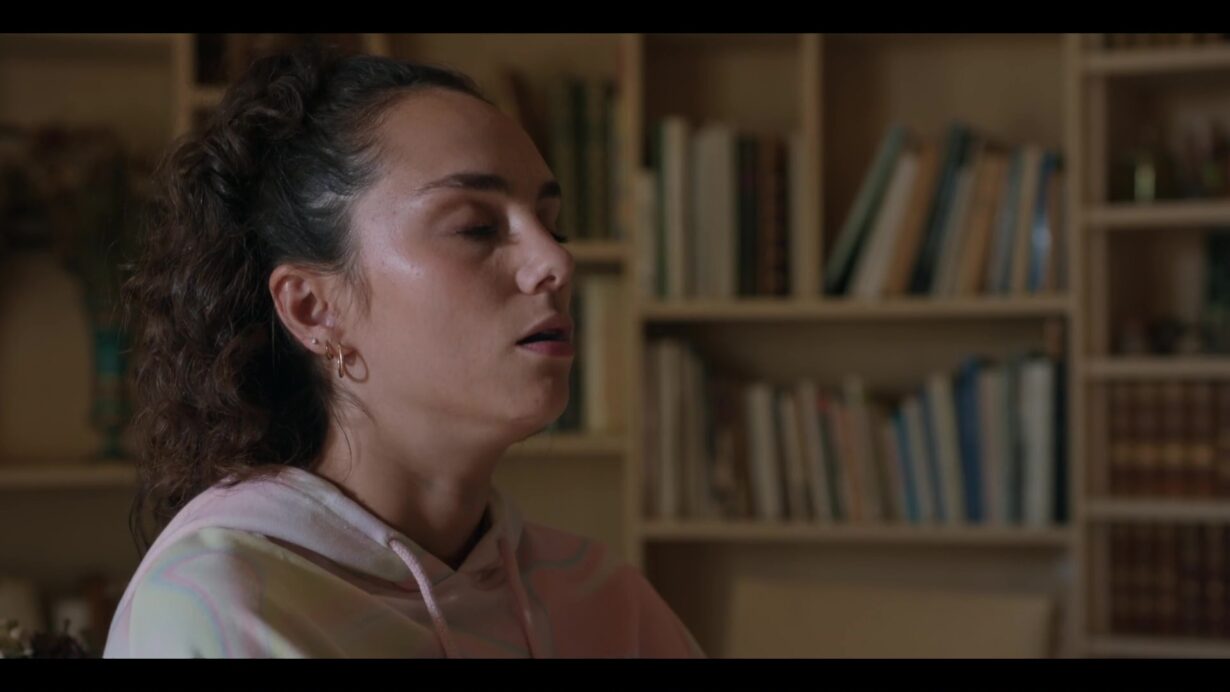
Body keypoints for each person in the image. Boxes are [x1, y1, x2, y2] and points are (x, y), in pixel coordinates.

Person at [102, 46, 702, 659]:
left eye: (554, 226)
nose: (557, 261)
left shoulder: (602, 599)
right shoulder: (222, 605)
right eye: (476, 227)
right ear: (314, 308)